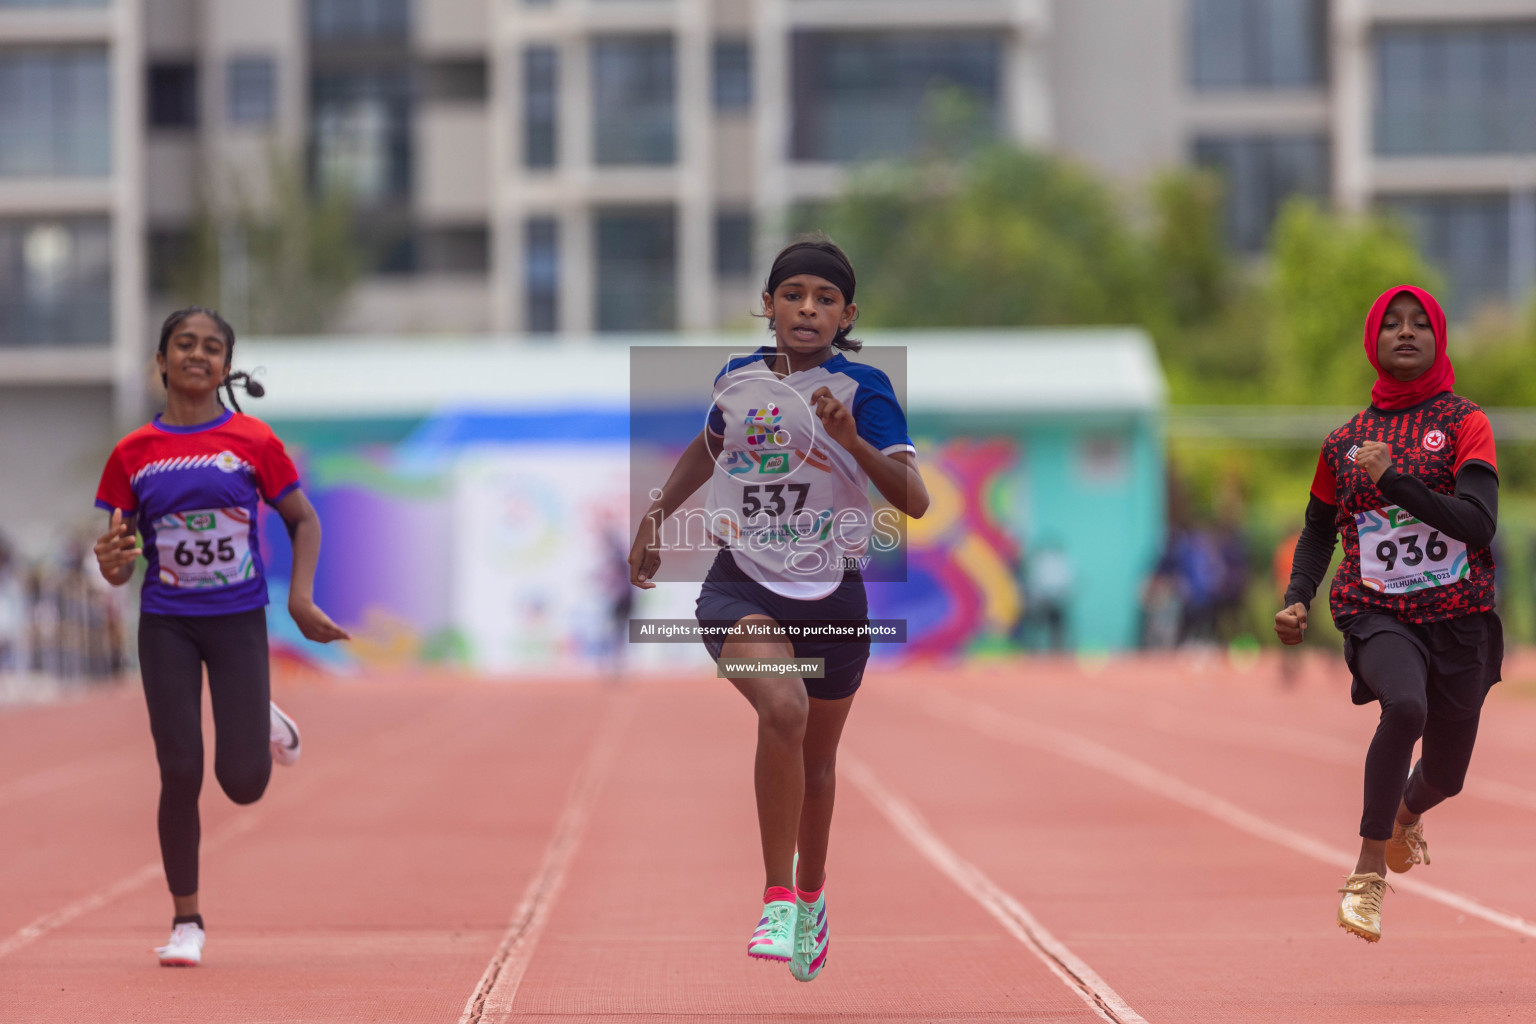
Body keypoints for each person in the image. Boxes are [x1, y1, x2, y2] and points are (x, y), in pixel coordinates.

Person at [628, 237, 928, 982]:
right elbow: (709, 446)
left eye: (825, 299)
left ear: (847, 314)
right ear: (767, 305)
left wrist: (853, 441)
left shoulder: (866, 388)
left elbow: (914, 500)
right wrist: (657, 514)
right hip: (741, 584)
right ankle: (777, 900)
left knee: (819, 766)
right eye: (793, 294)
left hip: (833, 596)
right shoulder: (736, 378)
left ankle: (813, 895)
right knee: (784, 711)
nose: (807, 308)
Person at [93, 307, 350, 967]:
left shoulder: (253, 441)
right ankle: (187, 922)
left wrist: (299, 599)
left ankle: (255, 714)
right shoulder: (131, 454)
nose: (198, 355)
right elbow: (119, 566)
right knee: (178, 769)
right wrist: (111, 560)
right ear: (161, 361)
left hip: (236, 622)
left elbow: (304, 520)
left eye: (212, 347)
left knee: (242, 783)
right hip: (167, 624)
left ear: (226, 367)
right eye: (185, 344)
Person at [1275, 285, 1500, 943]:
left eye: (1419, 323)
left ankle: (1408, 814)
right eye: (1392, 324)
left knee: (1448, 776)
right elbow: (1318, 529)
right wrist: (1298, 594)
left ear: (1439, 338)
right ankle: (1368, 875)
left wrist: (1396, 480)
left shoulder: (1465, 423)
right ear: (1373, 341)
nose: (1406, 332)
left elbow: (1478, 525)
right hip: (1376, 610)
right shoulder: (1344, 442)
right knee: (1404, 706)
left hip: (1459, 615)